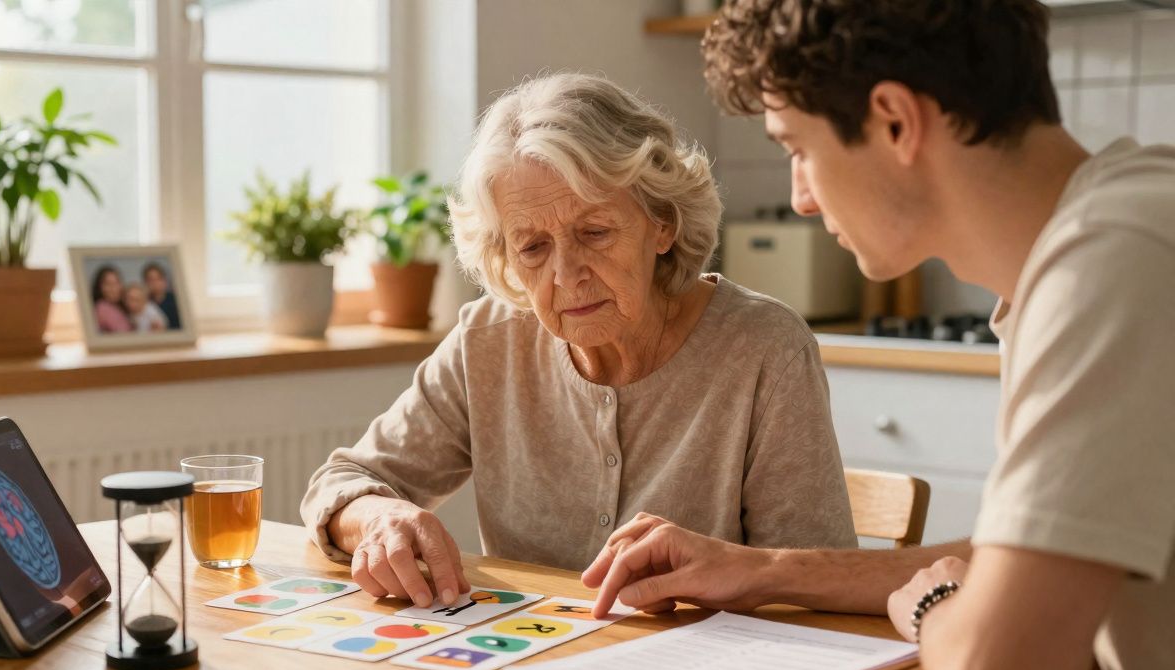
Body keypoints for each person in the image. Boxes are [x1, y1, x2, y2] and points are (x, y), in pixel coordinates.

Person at [584, 2, 1175, 670]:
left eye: (798, 148)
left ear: (896, 121)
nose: (800, 198)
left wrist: (934, 606)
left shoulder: (1110, 267)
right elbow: (1033, 565)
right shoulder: (1115, 234)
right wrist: (762, 571)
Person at [301, 72, 856, 611]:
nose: (567, 275)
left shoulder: (764, 349)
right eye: (533, 247)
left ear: (662, 223)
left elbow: (818, 583)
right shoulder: (488, 341)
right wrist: (379, 517)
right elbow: (343, 482)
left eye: (595, 232)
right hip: (527, 663)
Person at [91, 265, 131, 333]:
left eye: (117, 282)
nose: (114, 288)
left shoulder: (119, 307)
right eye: (108, 284)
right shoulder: (102, 308)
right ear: (100, 287)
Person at [143, 262, 181, 330]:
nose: (155, 283)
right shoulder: (145, 304)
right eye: (151, 280)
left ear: (164, 280)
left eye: (158, 279)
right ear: (145, 282)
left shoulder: (176, 300)